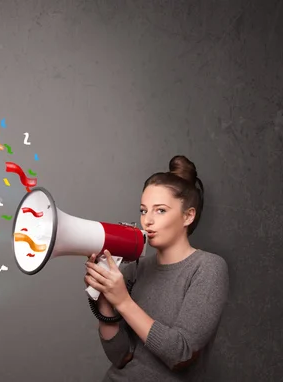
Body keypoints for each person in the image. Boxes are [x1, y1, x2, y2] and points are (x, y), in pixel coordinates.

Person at [84, 155, 229, 382]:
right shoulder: (136, 269)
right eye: (144, 210)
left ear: (188, 216)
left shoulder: (208, 268)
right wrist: (104, 298)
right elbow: (120, 356)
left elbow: (181, 354)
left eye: (160, 210)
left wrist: (122, 301)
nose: (147, 221)